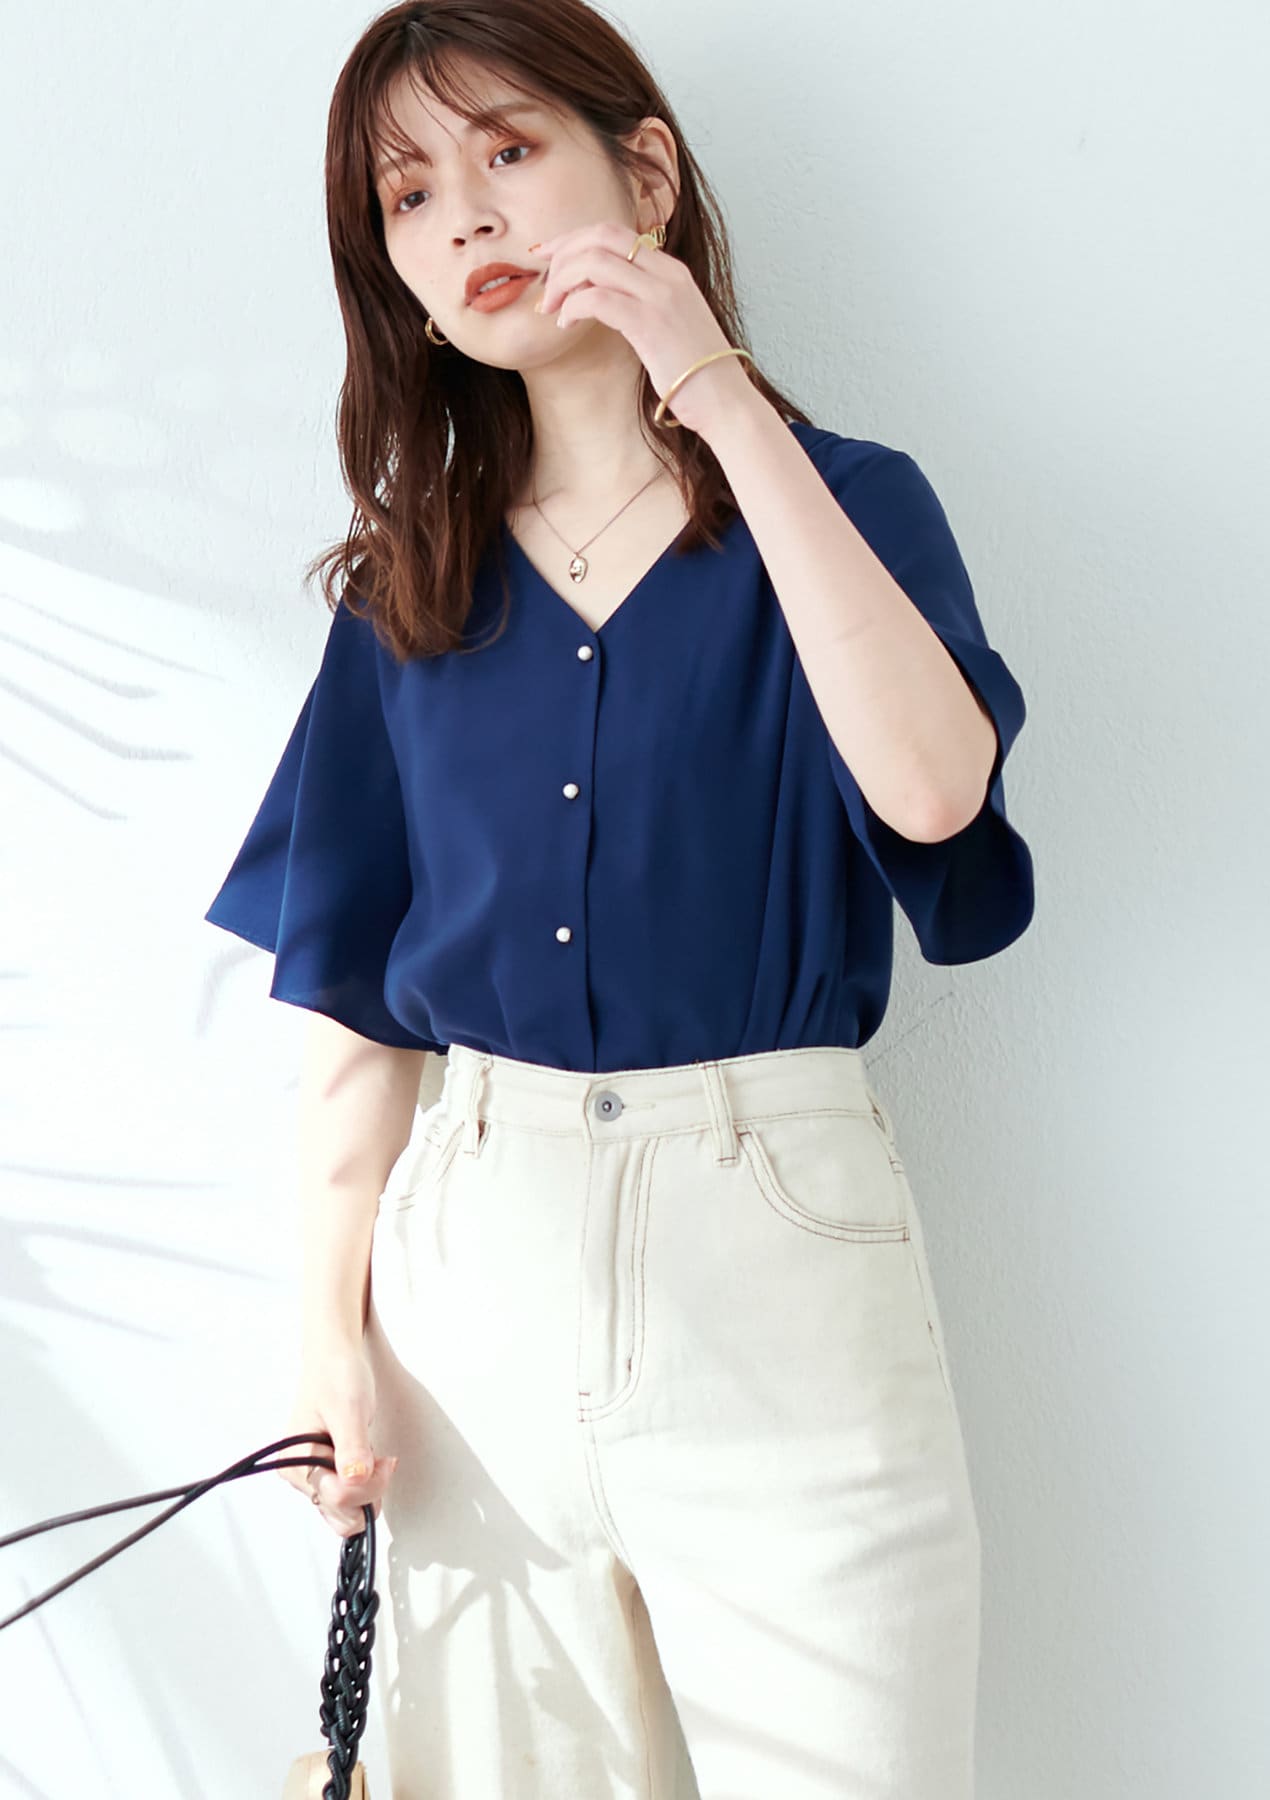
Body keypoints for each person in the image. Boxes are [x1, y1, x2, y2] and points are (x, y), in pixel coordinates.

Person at [203, 2, 1035, 1794]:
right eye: (409, 196)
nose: (467, 218)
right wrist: (325, 1335)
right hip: (471, 1288)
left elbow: (933, 790)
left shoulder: (849, 506)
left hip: (777, 1253)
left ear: (643, 172)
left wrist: (711, 385)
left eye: (510, 151)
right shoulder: (409, 585)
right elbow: (354, 1009)